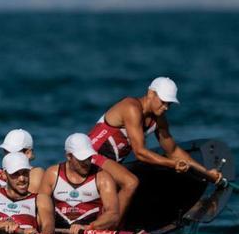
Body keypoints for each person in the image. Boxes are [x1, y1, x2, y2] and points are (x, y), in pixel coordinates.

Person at [88, 76, 222, 184]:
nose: (166, 107)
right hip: (88, 162)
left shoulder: (159, 119)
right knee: (132, 181)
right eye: (163, 101)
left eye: (169, 103)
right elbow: (140, 153)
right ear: (151, 93)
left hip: (109, 167)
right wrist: (173, 164)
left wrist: (207, 173)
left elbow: (173, 151)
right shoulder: (131, 108)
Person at [38, 134, 120, 234]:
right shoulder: (52, 174)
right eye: (81, 159)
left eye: (89, 157)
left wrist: (89, 227)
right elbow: (40, 208)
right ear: (69, 156)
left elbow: (113, 214)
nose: (86, 162)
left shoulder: (103, 178)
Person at [0, 153, 54, 234]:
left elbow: (48, 229)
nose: (22, 179)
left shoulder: (41, 199)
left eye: (25, 173)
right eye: (15, 174)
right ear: (4, 175)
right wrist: (0, 225)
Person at [0, 129, 44, 193]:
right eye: (6, 152)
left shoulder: (36, 172)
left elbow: (28, 197)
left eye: (12, 153)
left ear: (28, 153)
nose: (8, 156)